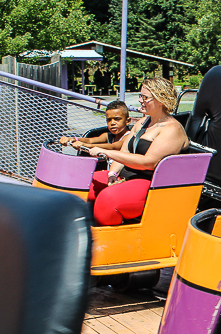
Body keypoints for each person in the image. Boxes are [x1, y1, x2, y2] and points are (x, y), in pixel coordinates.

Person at [87, 77, 189, 226]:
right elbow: (125, 150)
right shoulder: (143, 122)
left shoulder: (171, 129)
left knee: (107, 201)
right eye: (140, 96)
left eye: (145, 97)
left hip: (152, 184)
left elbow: (149, 163)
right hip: (128, 175)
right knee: (85, 183)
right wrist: (112, 174)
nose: (140, 100)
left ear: (160, 100)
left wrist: (106, 152)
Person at [59, 100, 131, 152]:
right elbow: (89, 140)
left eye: (117, 119)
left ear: (127, 121)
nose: (112, 123)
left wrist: (85, 145)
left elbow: (113, 147)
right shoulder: (107, 136)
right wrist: (72, 139)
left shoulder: (129, 136)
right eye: (109, 120)